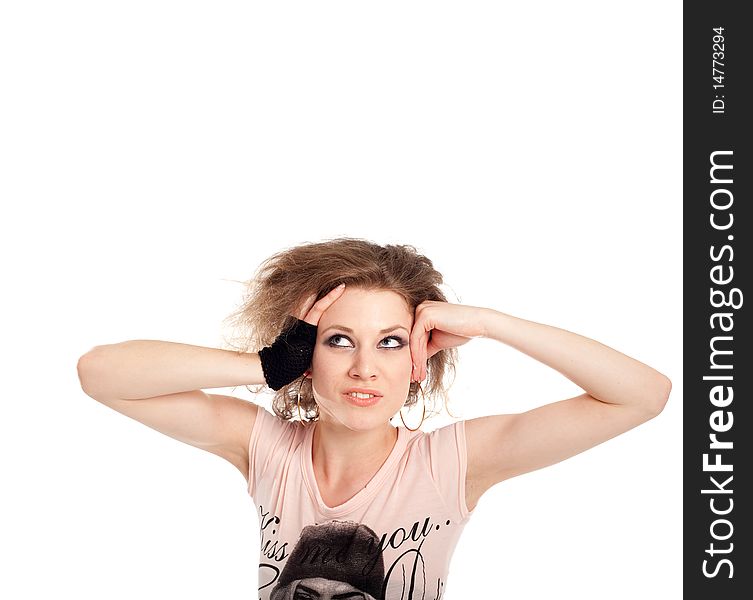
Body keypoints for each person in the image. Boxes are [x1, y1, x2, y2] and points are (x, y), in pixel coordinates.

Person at [76, 237, 671, 600]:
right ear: (306, 354)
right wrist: (268, 364)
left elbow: (643, 395)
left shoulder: (449, 465)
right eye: (339, 341)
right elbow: (101, 373)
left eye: (390, 342)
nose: (365, 368)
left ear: (418, 357)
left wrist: (492, 323)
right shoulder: (268, 449)